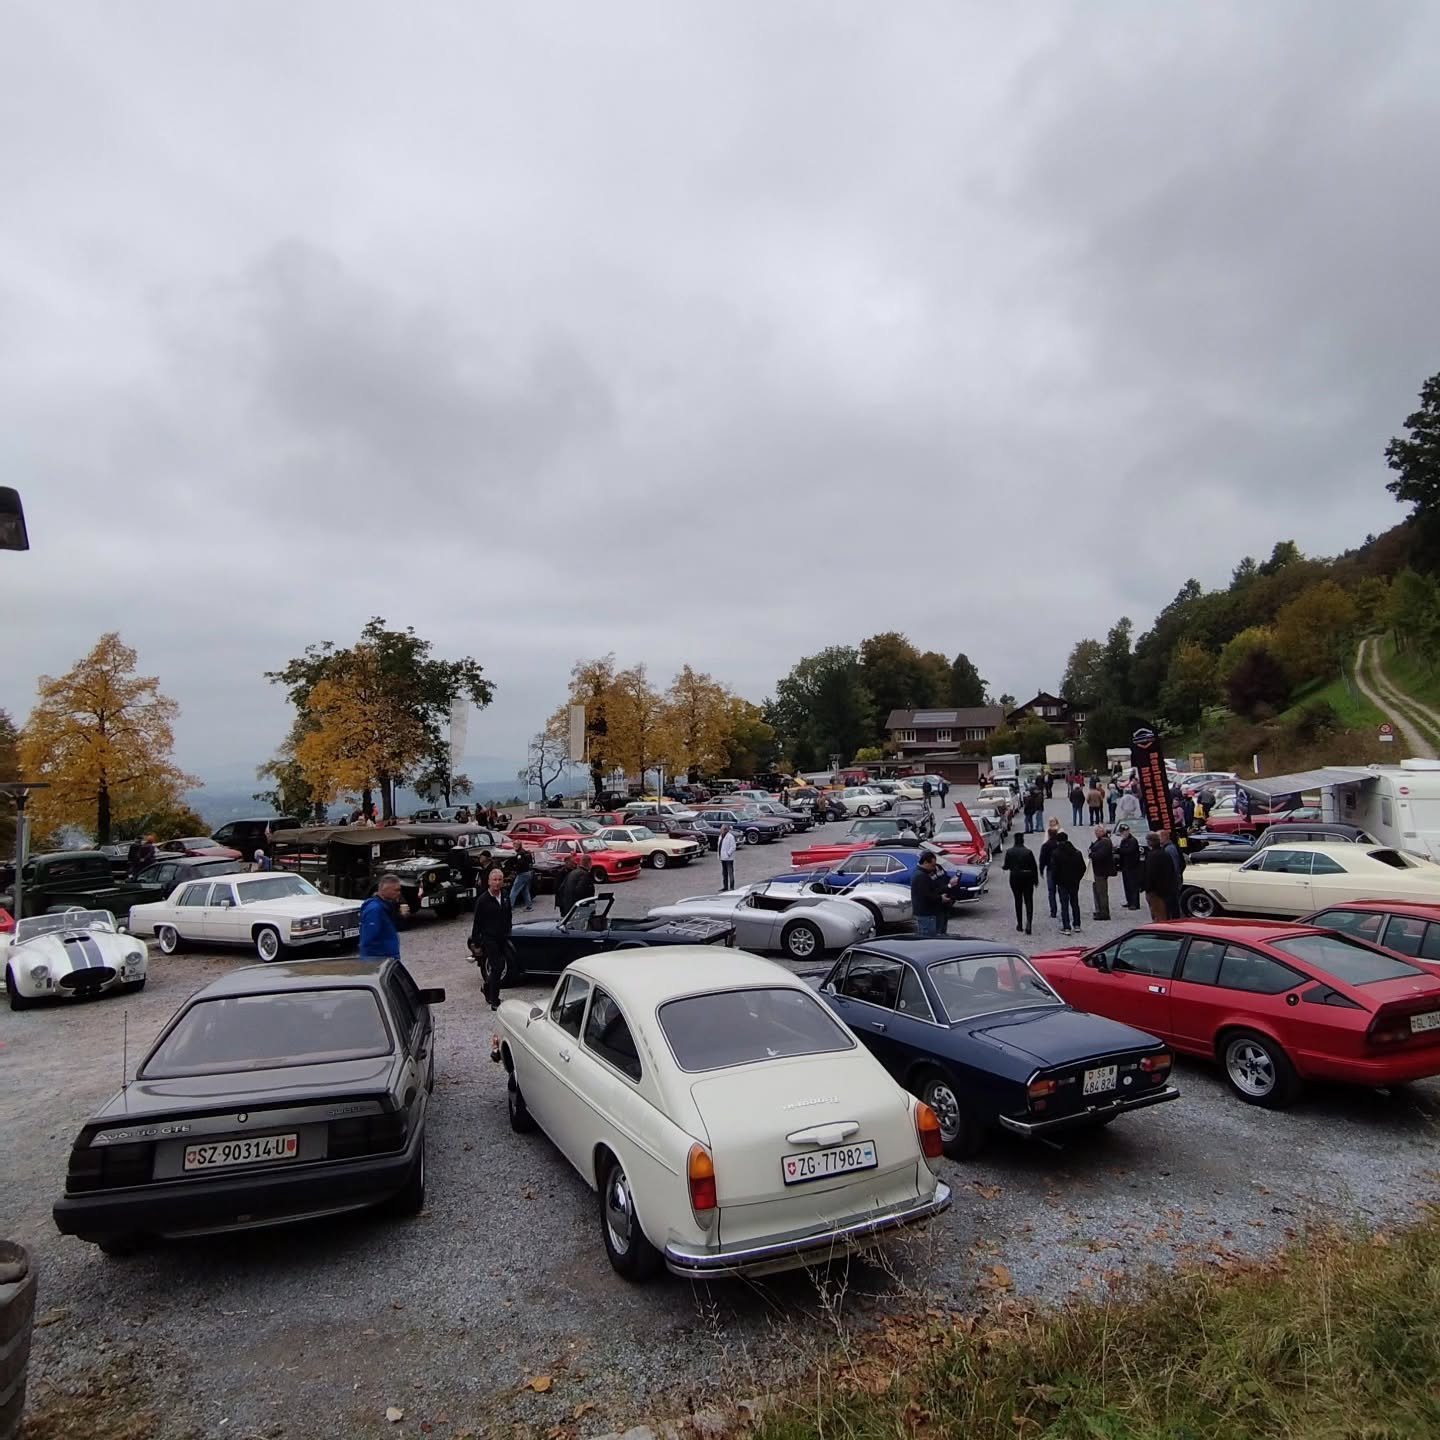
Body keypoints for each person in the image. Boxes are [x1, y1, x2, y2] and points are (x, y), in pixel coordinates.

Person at [470, 867, 514, 1009]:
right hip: (489, 938)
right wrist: (476, 943)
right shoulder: (483, 900)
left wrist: (509, 929)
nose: (497, 883)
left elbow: (508, 914)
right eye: (494, 880)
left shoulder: (505, 895)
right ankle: (494, 1000)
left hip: (503, 936)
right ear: (489, 882)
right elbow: (477, 922)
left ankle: (487, 988)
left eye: (500, 880)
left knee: (501, 965)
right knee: (497, 966)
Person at [359, 874, 403, 961]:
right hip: (379, 961)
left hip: (388, 958)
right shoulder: (374, 909)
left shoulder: (387, 907)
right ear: (384, 890)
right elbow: (369, 938)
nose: (399, 893)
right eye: (396, 890)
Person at [1051, 830, 1087, 936]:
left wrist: (1056, 881)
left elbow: (1054, 870)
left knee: (1064, 905)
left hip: (1062, 883)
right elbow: (1082, 868)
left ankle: (1066, 926)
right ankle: (1077, 925)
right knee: (1075, 903)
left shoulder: (1056, 853)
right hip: (1074, 882)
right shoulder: (1077, 852)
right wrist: (1077, 878)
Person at [1002, 833, 1039, 935]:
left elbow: (1006, 866)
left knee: (1018, 900)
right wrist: (1035, 880)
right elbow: (1034, 867)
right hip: (1027, 877)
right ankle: (1029, 924)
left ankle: (1019, 924)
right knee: (1029, 900)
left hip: (1015, 877)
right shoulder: (1028, 852)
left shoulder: (1010, 852)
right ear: (1023, 840)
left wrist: (1004, 867)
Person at [910, 850, 949, 937]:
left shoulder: (922, 873)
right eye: (932, 865)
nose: (934, 868)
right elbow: (926, 895)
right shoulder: (921, 876)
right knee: (928, 938)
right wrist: (940, 898)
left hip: (930, 913)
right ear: (925, 862)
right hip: (926, 914)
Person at [1142, 833, 1173, 921]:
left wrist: (1147, 888)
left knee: (1157, 914)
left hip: (1155, 891)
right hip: (1165, 889)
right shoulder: (1165, 853)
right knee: (1162, 913)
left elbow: (1150, 873)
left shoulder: (1152, 855)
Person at [556, 851, 596, 917]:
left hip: (568, 908)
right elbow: (583, 894)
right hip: (577, 910)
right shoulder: (584, 875)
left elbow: (561, 889)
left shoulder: (572, 873)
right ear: (589, 863)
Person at [1088, 825, 1115, 921]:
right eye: (1095, 832)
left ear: (1102, 832)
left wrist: (1091, 853)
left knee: (1101, 892)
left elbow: (1101, 855)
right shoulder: (1100, 841)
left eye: (1097, 832)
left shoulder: (1105, 842)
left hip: (1101, 871)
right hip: (1097, 870)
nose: (1096, 834)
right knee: (1097, 891)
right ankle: (1099, 910)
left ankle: (1104, 912)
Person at [1038, 817, 1062, 918]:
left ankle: (1053, 911)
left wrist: (1041, 870)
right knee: (1062, 890)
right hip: (1061, 870)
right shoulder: (1060, 845)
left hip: (1050, 870)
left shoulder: (1046, 846)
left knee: (1051, 891)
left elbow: (1042, 859)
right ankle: (1063, 907)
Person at [1116, 824, 1143, 910]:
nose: (1122, 834)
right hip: (1125, 866)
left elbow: (1129, 851)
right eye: (1121, 832)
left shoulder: (1132, 841)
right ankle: (1130, 901)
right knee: (1127, 885)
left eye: (1123, 832)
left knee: (1133, 886)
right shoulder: (1124, 841)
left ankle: (1135, 903)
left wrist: (1119, 850)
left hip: (1133, 867)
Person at [1164, 830, 1186, 920]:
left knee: (1174, 903)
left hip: (1173, 880)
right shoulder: (1171, 847)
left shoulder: (1169, 849)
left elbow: (1175, 866)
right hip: (1175, 879)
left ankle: (1176, 920)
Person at [508, 843, 534, 911]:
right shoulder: (526, 852)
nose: (514, 847)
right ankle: (529, 906)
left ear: (518, 846)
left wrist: (514, 867)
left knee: (514, 890)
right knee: (525, 890)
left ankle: (509, 907)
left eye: (515, 845)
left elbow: (520, 864)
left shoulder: (520, 854)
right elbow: (530, 862)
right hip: (528, 873)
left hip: (522, 874)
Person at [718, 823, 738, 891]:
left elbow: (733, 847)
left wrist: (728, 854)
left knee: (730, 872)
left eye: (721, 828)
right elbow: (719, 847)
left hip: (729, 858)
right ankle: (725, 886)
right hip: (722, 857)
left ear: (725, 829)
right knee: (724, 873)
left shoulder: (730, 837)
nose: (720, 830)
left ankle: (732, 887)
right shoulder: (721, 836)